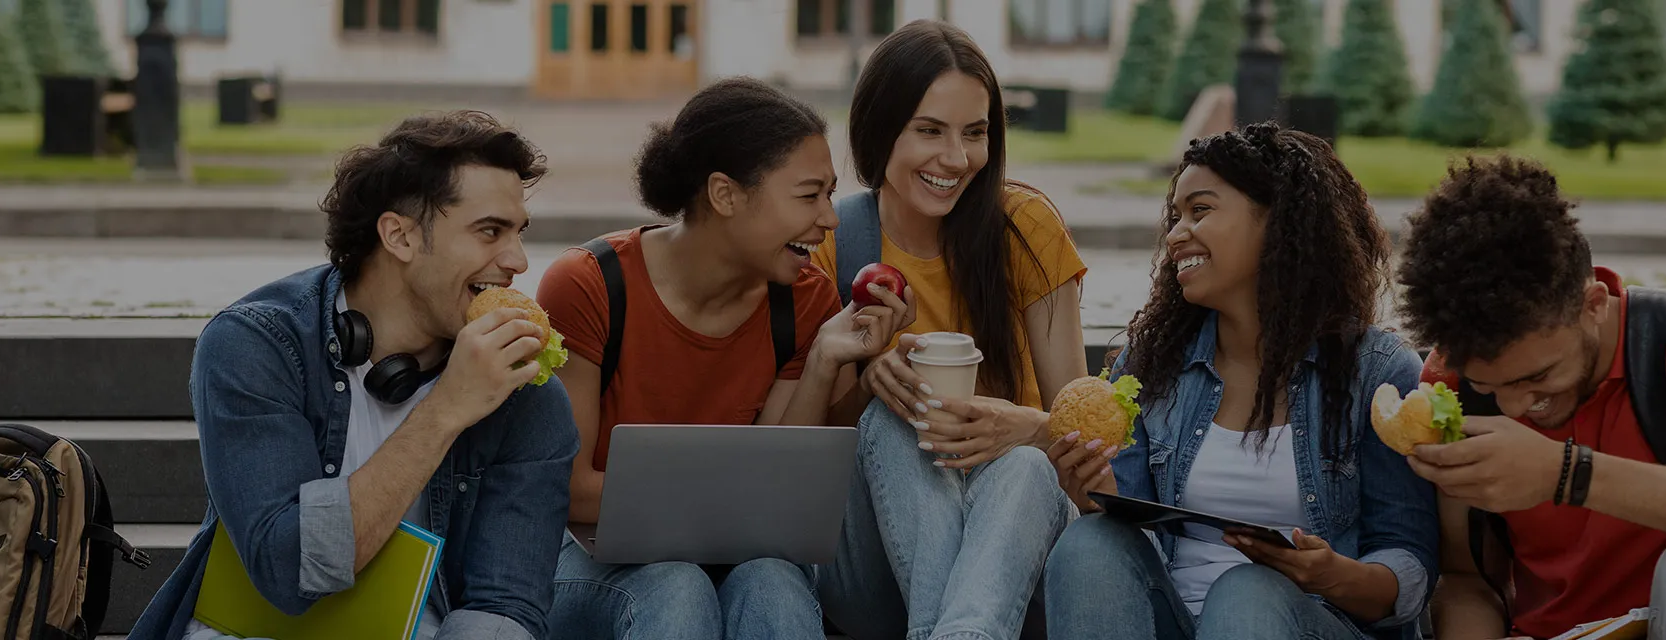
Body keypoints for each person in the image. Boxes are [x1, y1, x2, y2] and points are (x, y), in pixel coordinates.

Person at [127, 111, 579, 640]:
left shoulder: (524, 389)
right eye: (489, 232)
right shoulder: (258, 346)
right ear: (400, 236)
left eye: (519, 232)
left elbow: (505, 608)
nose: (519, 261)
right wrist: (445, 410)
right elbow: (289, 571)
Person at [1393, 155, 1666, 640]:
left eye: (1538, 376)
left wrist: (1565, 475)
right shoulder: (1449, 386)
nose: (1515, 407)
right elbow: (1467, 580)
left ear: (1594, 305)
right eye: (1488, 387)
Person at [532, 77, 912, 639]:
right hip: (588, 565)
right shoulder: (589, 285)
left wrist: (825, 362)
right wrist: (726, 502)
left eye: (830, 194)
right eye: (809, 195)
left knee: (776, 584)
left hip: (735, 562)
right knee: (677, 585)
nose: (831, 219)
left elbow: (778, 497)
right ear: (725, 195)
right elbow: (571, 491)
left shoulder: (804, 298)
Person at [1038, 124, 1441, 640]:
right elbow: (1128, 508)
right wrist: (1096, 491)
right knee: (1088, 543)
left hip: (1313, 620)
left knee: (1246, 590)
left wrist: (1334, 575)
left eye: (1200, 210)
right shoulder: (1150, 364)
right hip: (1177, 620)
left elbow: (1409, 571)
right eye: (1176, 216)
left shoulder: (1378, 373)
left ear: (1278, 221)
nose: (1177, 233)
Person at [806, 19, 1090, 640]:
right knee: (890, 415)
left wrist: (1032, 427)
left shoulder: (1025, 229)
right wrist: (866, 384)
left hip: (1012, 544)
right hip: (869, 565)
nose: (956, 160)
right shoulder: (835, 243)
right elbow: (808, 466)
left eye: (975, 133)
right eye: (929, 131)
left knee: (1027, 467)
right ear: (881, 131)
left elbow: (1083, 427)